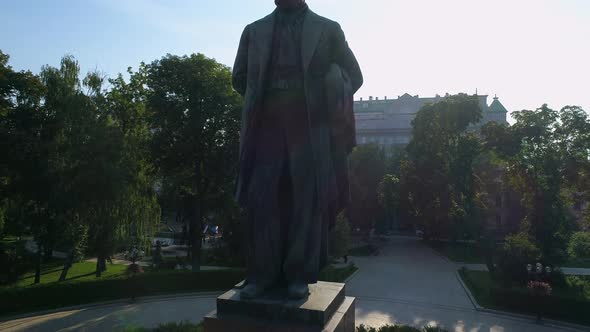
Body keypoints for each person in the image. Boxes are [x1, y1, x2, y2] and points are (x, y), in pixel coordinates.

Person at [232, 0, 363, 300]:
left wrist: (329, 83)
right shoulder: (254, 31)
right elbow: (239, 77)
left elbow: (353, 75)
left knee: (305, 200)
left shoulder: (328, 30)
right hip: (266, 126)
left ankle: (297, 275)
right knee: (262, 199)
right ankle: (261, 276)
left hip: (308, 127)